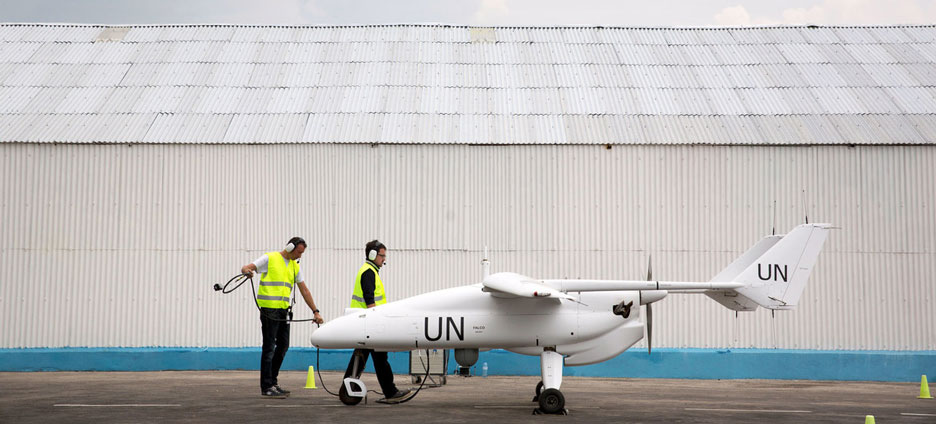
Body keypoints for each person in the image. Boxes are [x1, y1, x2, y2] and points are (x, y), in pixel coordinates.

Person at [241, 236, 324, 399]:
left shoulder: (294, 266)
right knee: (269, 347)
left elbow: (304, 290)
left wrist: (315, 311)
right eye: (299, 252)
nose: (300, 256)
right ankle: (266, 386)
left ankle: (273, 381)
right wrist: (247, 272)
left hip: (284, 311)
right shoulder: (270, 258)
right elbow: (246, 267)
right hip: (269, 311)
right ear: (290, 247)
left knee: (283, 346)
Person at [342, 240, 415, 404]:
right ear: (373, 255)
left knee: (360, 357)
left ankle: (347, 390)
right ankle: (390, 392)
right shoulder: (368, 272)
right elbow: (370, 300)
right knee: (380, 359)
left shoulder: (370, 271)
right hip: (370, 323)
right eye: (382, 256)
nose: (384, 259)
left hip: (366, 322)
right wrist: (378, 322)